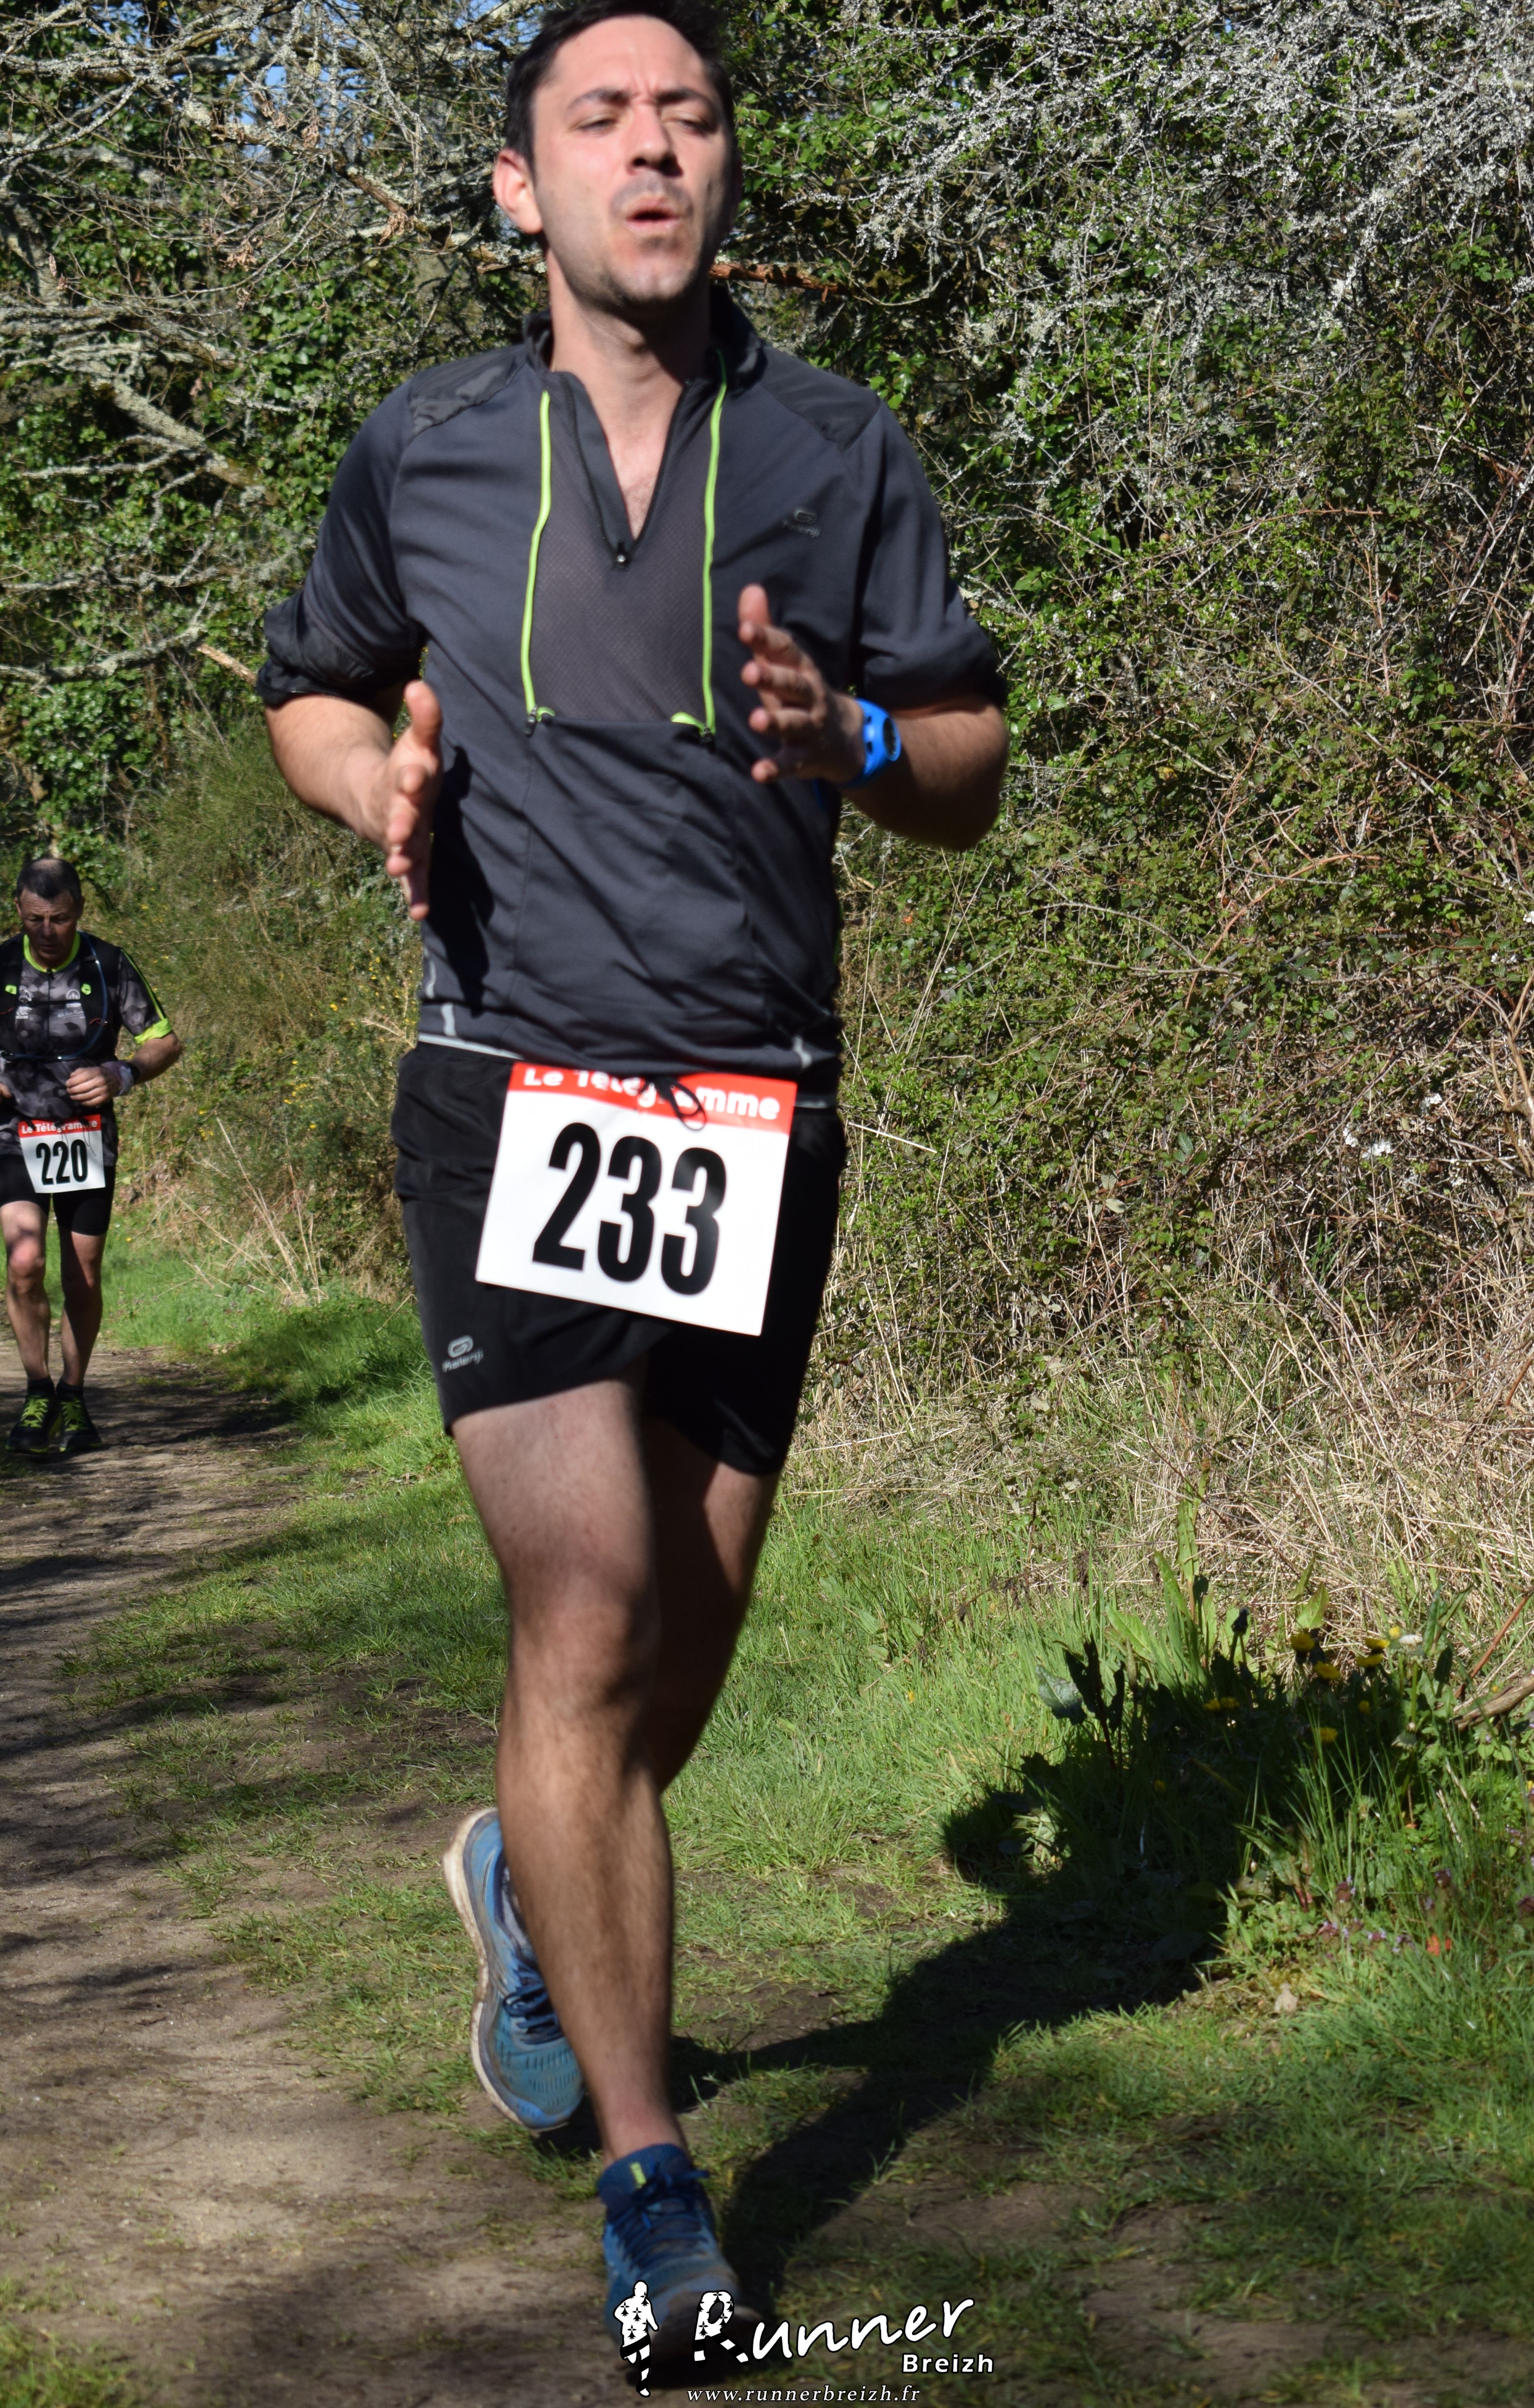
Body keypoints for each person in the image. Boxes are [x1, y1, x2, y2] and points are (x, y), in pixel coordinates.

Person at [258, 0, 1007, 2365]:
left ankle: (521, 1867)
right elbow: (308, 684)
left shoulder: (836, 447)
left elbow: (970, 758)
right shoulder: (428, 443)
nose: (652, 150)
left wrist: (852, 731)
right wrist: (369, 780)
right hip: (508, 1083)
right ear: (521, 188)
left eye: (687, 115)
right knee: (581, 1613)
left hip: (757, 1105)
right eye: (601, 118)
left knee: (672, 1641)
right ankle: (655, 2186)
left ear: (724, 172)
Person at [0, 857, 182, 1457]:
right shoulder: (2, 966)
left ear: (79, 909)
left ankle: (74, 1396)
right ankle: (38, 1392)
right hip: (14, 1135)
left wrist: (122, 1074)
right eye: (34, 920)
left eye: (59, 919)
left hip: (86, 1137)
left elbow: (163, 1041)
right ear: (18, 911)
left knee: (82, 1274)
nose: (47, 932)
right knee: (25, 1262)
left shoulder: (108, 964)